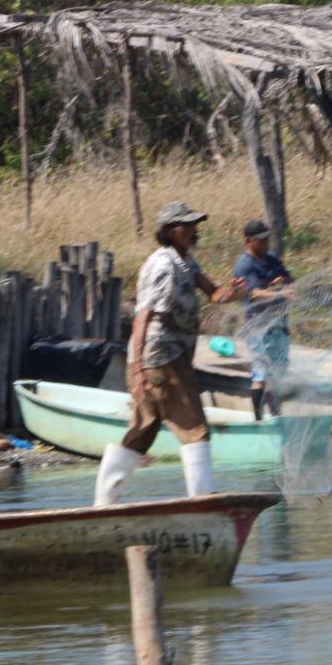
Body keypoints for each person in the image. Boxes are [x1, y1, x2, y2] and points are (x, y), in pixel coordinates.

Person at [94, 201, 244, 506]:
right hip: (162, 356)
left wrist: (233, 293)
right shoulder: (163, 266)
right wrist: (136, 369)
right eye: (186, 226)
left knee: (143, 430)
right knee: (194, 426)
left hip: (165, 357)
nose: (193, 230)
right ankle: (202, 501)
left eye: (194, 225)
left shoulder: (186, 262)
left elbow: (214, 294)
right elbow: (143, 317)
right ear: (170, 231)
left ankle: (103, 504)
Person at [234, 219, 295, 419]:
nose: (265, 243)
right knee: (261, 373)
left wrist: (283, 282)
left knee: (278, 373)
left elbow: (289, 279)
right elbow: (252, 293)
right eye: (260, 240)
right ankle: (258, 419)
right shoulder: (244, 265)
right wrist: (278, 294)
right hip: (259, 327)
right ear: (248, 241)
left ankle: (277, 416)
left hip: (279, 324)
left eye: (267, 238)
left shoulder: (272, 259)